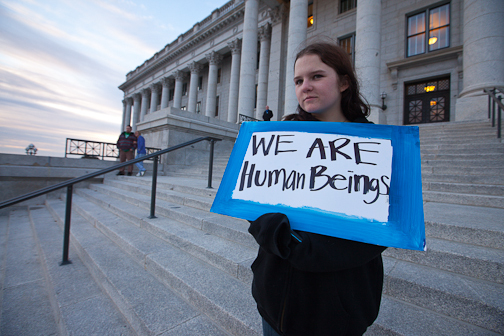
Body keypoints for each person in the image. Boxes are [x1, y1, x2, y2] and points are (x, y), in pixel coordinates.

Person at [248, 42, 387, 336]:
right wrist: (270, 230)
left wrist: (296, 246)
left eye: (317, 77)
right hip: (274, 302)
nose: (305, 87)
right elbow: (254, 201)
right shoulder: (281, 136)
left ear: (344, 82)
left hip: (336, 312)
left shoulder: (378, 148)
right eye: (298, 80)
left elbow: (379, 231)